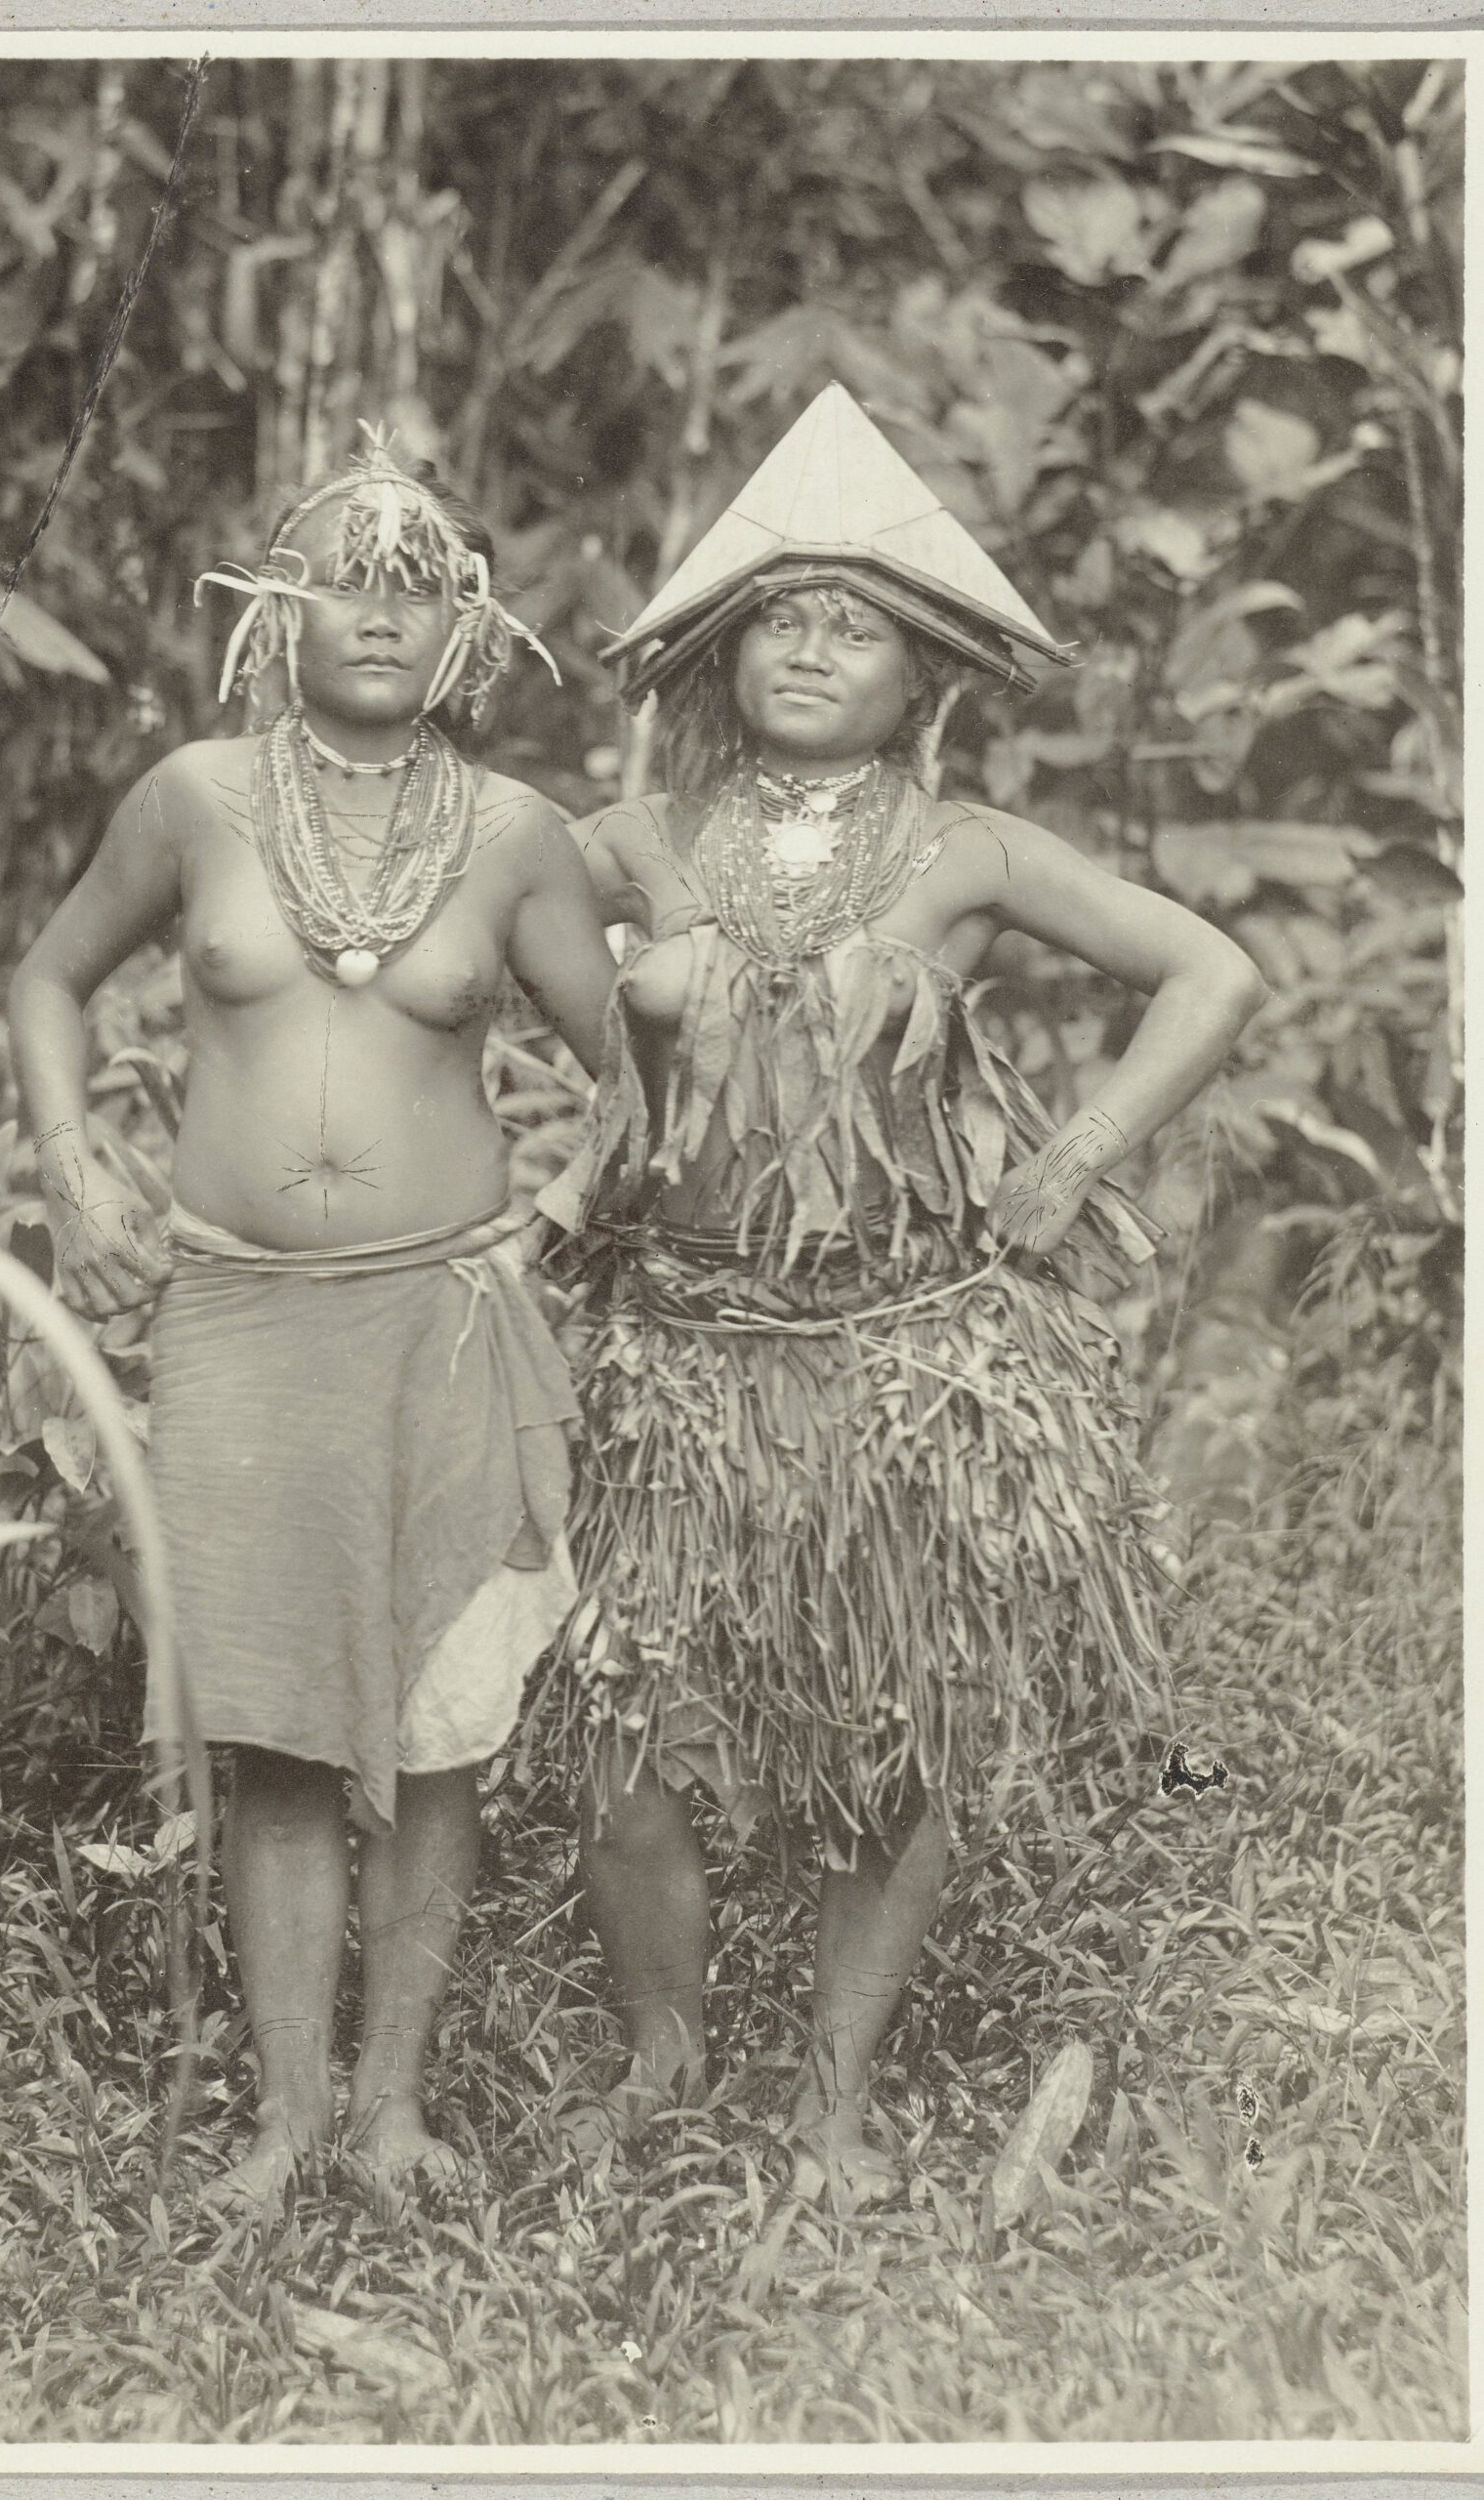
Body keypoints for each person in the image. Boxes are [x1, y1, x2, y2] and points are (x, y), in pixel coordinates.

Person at [541, 383, 1267, 2202]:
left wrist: (1074, 1155)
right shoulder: (627, 839)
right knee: (618, 1722)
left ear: (917, 672)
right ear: (720, 645)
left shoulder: (969, 853)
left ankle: (829, 2100)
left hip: (905, 1365)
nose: (807, 648)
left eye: (851, 624)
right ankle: (663, 2052)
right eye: (779, 617)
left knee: (900, 1726)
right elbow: (458, 957)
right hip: (671, 1356)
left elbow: (1209, 973)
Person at [9, 431, 617, 2205]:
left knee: (438, 1730)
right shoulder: (193, 796)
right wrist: (71, 1163)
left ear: (473, 636)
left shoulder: (515, 835)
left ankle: (392, 2110)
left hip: (439, 1320)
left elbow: (637, 1068)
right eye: (344, 574)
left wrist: (562, 1218)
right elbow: (49, 977)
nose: (378, 609)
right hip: (243, 1320)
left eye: (418, 586)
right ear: (275, 610)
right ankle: (283, 2125)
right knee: (270, 1726)